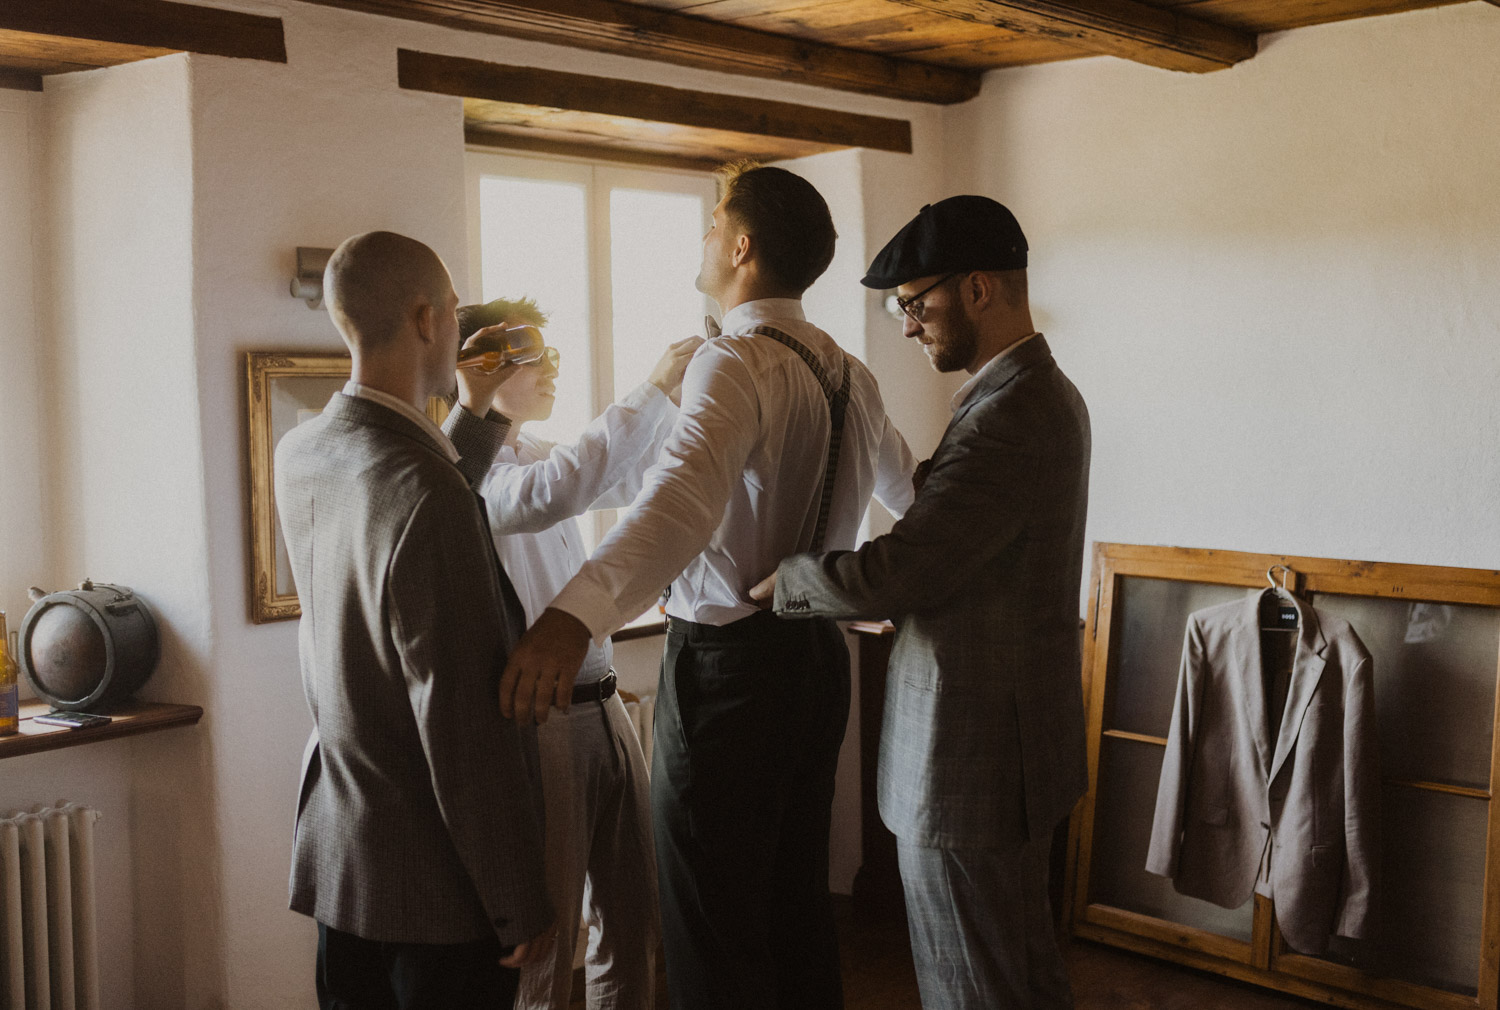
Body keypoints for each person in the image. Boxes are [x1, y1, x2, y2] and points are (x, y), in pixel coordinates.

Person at [500, 163, 917, 1010]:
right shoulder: (850, 372)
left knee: (709, 921)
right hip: (816, 663)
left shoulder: (732, 362)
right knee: (795, 905)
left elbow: (680, 504)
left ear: (741, 245)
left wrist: (572, 615)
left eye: (712, 220)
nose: (702, 238)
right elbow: (918, 504)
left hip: (728, 677)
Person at [751, 196, 1092, 1010]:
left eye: (915, 303)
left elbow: (907, 566)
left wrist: (788, 581)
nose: (907, 326)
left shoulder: (1010, 415)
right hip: (1002, 750)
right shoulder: (1023, 396)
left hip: (973, 762)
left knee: (976, 989)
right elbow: (968, 566)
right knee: (1013, 977)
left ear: (979, 289)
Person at [275, 231, 555, 1009]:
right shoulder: (425, 491)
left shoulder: (301, 451)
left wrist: (477, 413)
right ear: (427, 317)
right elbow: (460, 721)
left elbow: (404, 497)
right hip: (437, 889)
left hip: (346, 856)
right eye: (458, 311)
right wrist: (516, 899)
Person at [452, 295, 700, 1010]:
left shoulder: (536, 450)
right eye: (536, 356)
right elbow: (557, 493)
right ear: (477, 368)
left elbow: (625, 475)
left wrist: (690, 406)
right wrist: (651, 390)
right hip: (540, 718)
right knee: (553, 929)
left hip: (605, 701)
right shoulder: (461, 471)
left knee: (633, 914)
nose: (554, 368)